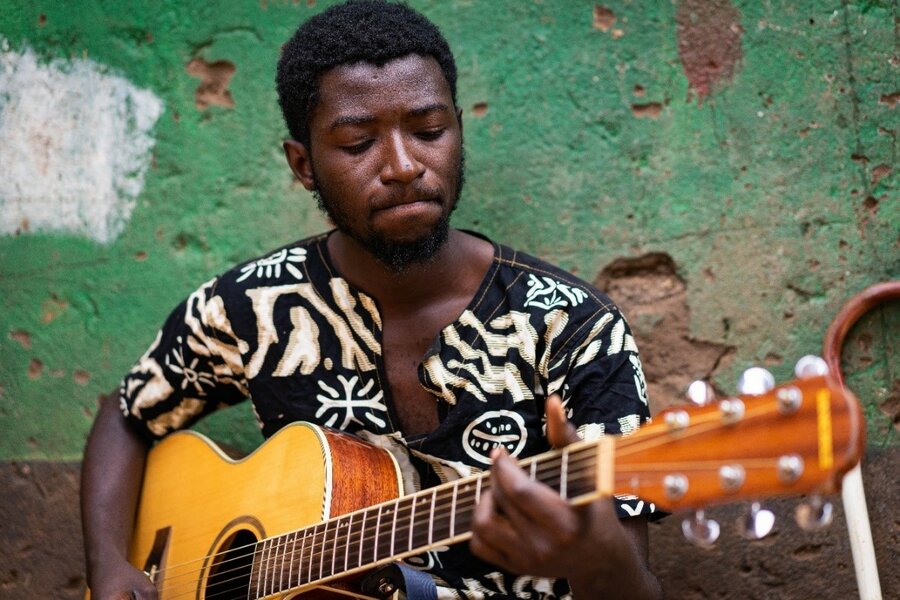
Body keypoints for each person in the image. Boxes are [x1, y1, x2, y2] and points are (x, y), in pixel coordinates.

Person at [81, 1, 662, 598]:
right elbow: (127, 414)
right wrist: (107, 563)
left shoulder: (573, 328)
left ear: (458, 131)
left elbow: (635, 591)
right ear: (303, 165)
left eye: (429, 131)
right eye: (359, 143)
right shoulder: (252, 309)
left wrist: (599, 555)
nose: (405, 166)